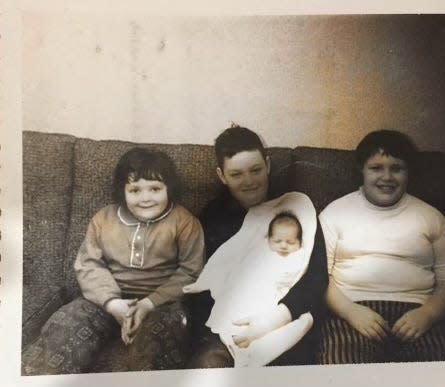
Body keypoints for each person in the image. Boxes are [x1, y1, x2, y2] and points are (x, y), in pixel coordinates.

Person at [22, 148, 204, 374]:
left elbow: (191, 271)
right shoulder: (104, 219)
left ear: (169, 189)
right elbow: (89, 265)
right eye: (135, 190)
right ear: (122, 191)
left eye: (155, 189)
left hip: (161, 304)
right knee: (65, 325)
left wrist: (148, 304)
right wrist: (112, 303)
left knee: (163, 337)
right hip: (103, 300)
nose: (146, 198)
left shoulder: (185, 222)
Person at [318, 129, 445, 363]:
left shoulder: (431, 217)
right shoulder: (334, 213)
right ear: (362, 171)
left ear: (408, 173)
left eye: (396, 168)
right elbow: (318, 277)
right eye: (376, 168)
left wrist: (427, 315)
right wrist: (351, 312)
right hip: (351, 314)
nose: (387, 177)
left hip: (417, 316)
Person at [187, 125, 328, 368]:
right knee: (208, 366)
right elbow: (205, 279)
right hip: (229, 327)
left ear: (269, 165)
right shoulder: (213, 216)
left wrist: (274, 319)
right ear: (221, 175)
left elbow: (316, 276)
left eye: (255, 170)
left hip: (284, 320)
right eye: (236, 174)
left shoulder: (293, 209)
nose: (249, 181)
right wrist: (225, 328)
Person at [185, 210, 314, 367]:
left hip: (275, 307)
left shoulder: (297, 257)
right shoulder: (261, 251)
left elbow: (299, 275)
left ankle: (249, 355)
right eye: (277, 241)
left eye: (291, 242)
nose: (284, 246)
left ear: (300, 243)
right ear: (268, 240)